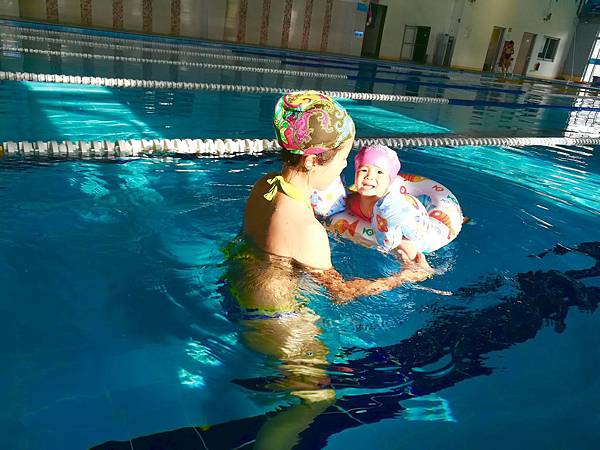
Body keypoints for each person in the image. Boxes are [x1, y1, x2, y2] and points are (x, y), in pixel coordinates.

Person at [225, 90, 431, 449]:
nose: (345, 168)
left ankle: (274, 388)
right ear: (312, 161)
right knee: (318, 399)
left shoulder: (265, 186)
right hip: (279, 327)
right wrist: (405, 276)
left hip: (239, 296)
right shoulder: (308, 232)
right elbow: (342, 294)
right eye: (344, 158)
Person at [344, 144, 430, 266]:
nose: (369, 176)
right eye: (363, 170)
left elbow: (415, 260)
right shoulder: (350, 200)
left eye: (379, 172)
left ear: (390, 181)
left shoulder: (389, 212)